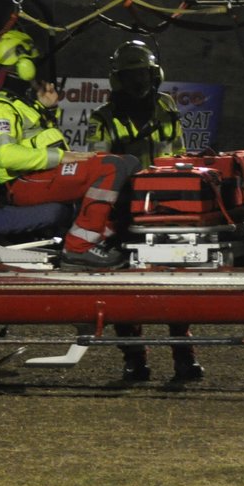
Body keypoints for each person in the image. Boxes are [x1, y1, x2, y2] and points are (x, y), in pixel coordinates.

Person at [88, 39, 203, 384]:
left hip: (167, 208)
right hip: (125, 210)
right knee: (124, 289)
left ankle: (185, 358)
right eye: (133, 76)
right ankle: (135, 361)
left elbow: (178, 153)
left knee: (175, 283)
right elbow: (99, 168)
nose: (141, 82)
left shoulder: (166, 107)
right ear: (119, 80)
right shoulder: (103, 119)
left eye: (145, 74)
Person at [0, 29, 139, 270]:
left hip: (41, 176)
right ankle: (78, 248)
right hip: (22, 184)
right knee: (110, 167)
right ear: (22, 67)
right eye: (34, 65)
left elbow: (40, 140)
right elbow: (8, 156)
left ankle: (108, 234)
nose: (37, 74)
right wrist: (63, 157)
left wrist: (49, 110)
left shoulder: (19, 103)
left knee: (128, 162)